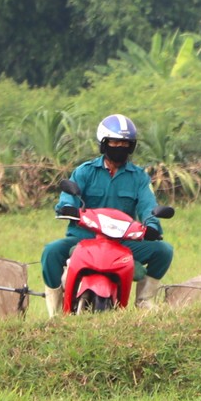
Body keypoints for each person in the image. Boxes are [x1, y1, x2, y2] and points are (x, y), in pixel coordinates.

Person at [41, 114, 173, 316]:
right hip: (83, 237)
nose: (119, 146)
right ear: (104, 143)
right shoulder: (84, 172)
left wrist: (152, 225)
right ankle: (54, 311)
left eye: (125, 143)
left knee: (163, 251)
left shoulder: (138, 177)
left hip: (123, 241)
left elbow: (148, 205)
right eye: (114, 141)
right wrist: (67, 207)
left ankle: (144, 300)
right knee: (51, 251)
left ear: (131, 146)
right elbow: (68, 197)